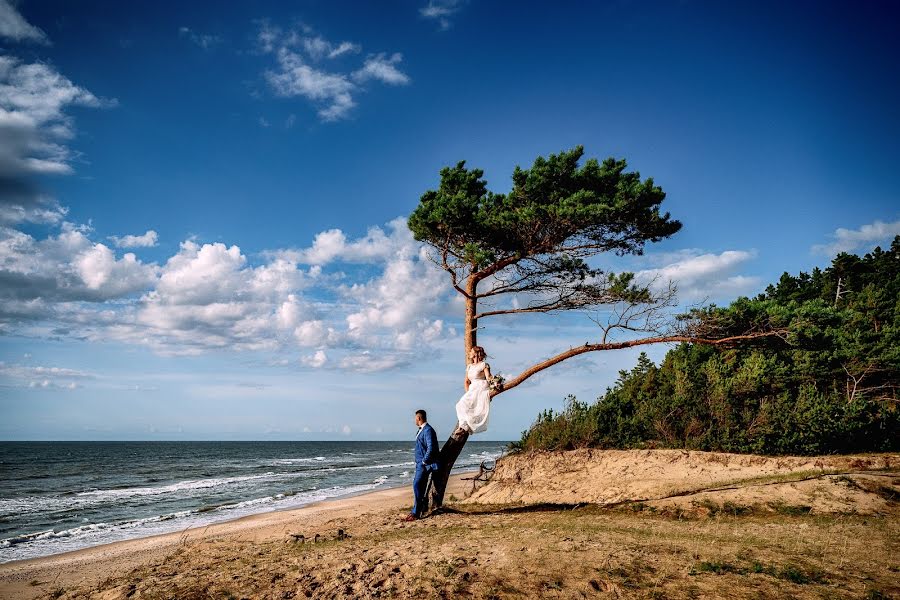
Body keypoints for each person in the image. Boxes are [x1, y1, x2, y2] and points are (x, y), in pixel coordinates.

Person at [404, 409, 439, 521]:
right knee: (421, 487)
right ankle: (418, 510)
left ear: (419, 418)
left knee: (416, 485)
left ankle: (416, 512)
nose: (414, 420)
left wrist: (424, 461)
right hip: (420, 463)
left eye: (415, 418)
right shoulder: (422, 430)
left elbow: (431, 447)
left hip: (424, 464)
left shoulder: (428, 430)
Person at [454, 345, 493, 436]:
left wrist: (494, 382)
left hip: (481, 387)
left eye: (471, 352)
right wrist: (468, 392)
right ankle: (464, 425)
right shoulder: (470, 366)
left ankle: (463, 427)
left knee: (476, 408)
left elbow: (488, 377)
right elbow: (467, 381)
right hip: (472, 389)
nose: (469, 353)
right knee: (459, 405)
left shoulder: (484, 365)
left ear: (476, 353)